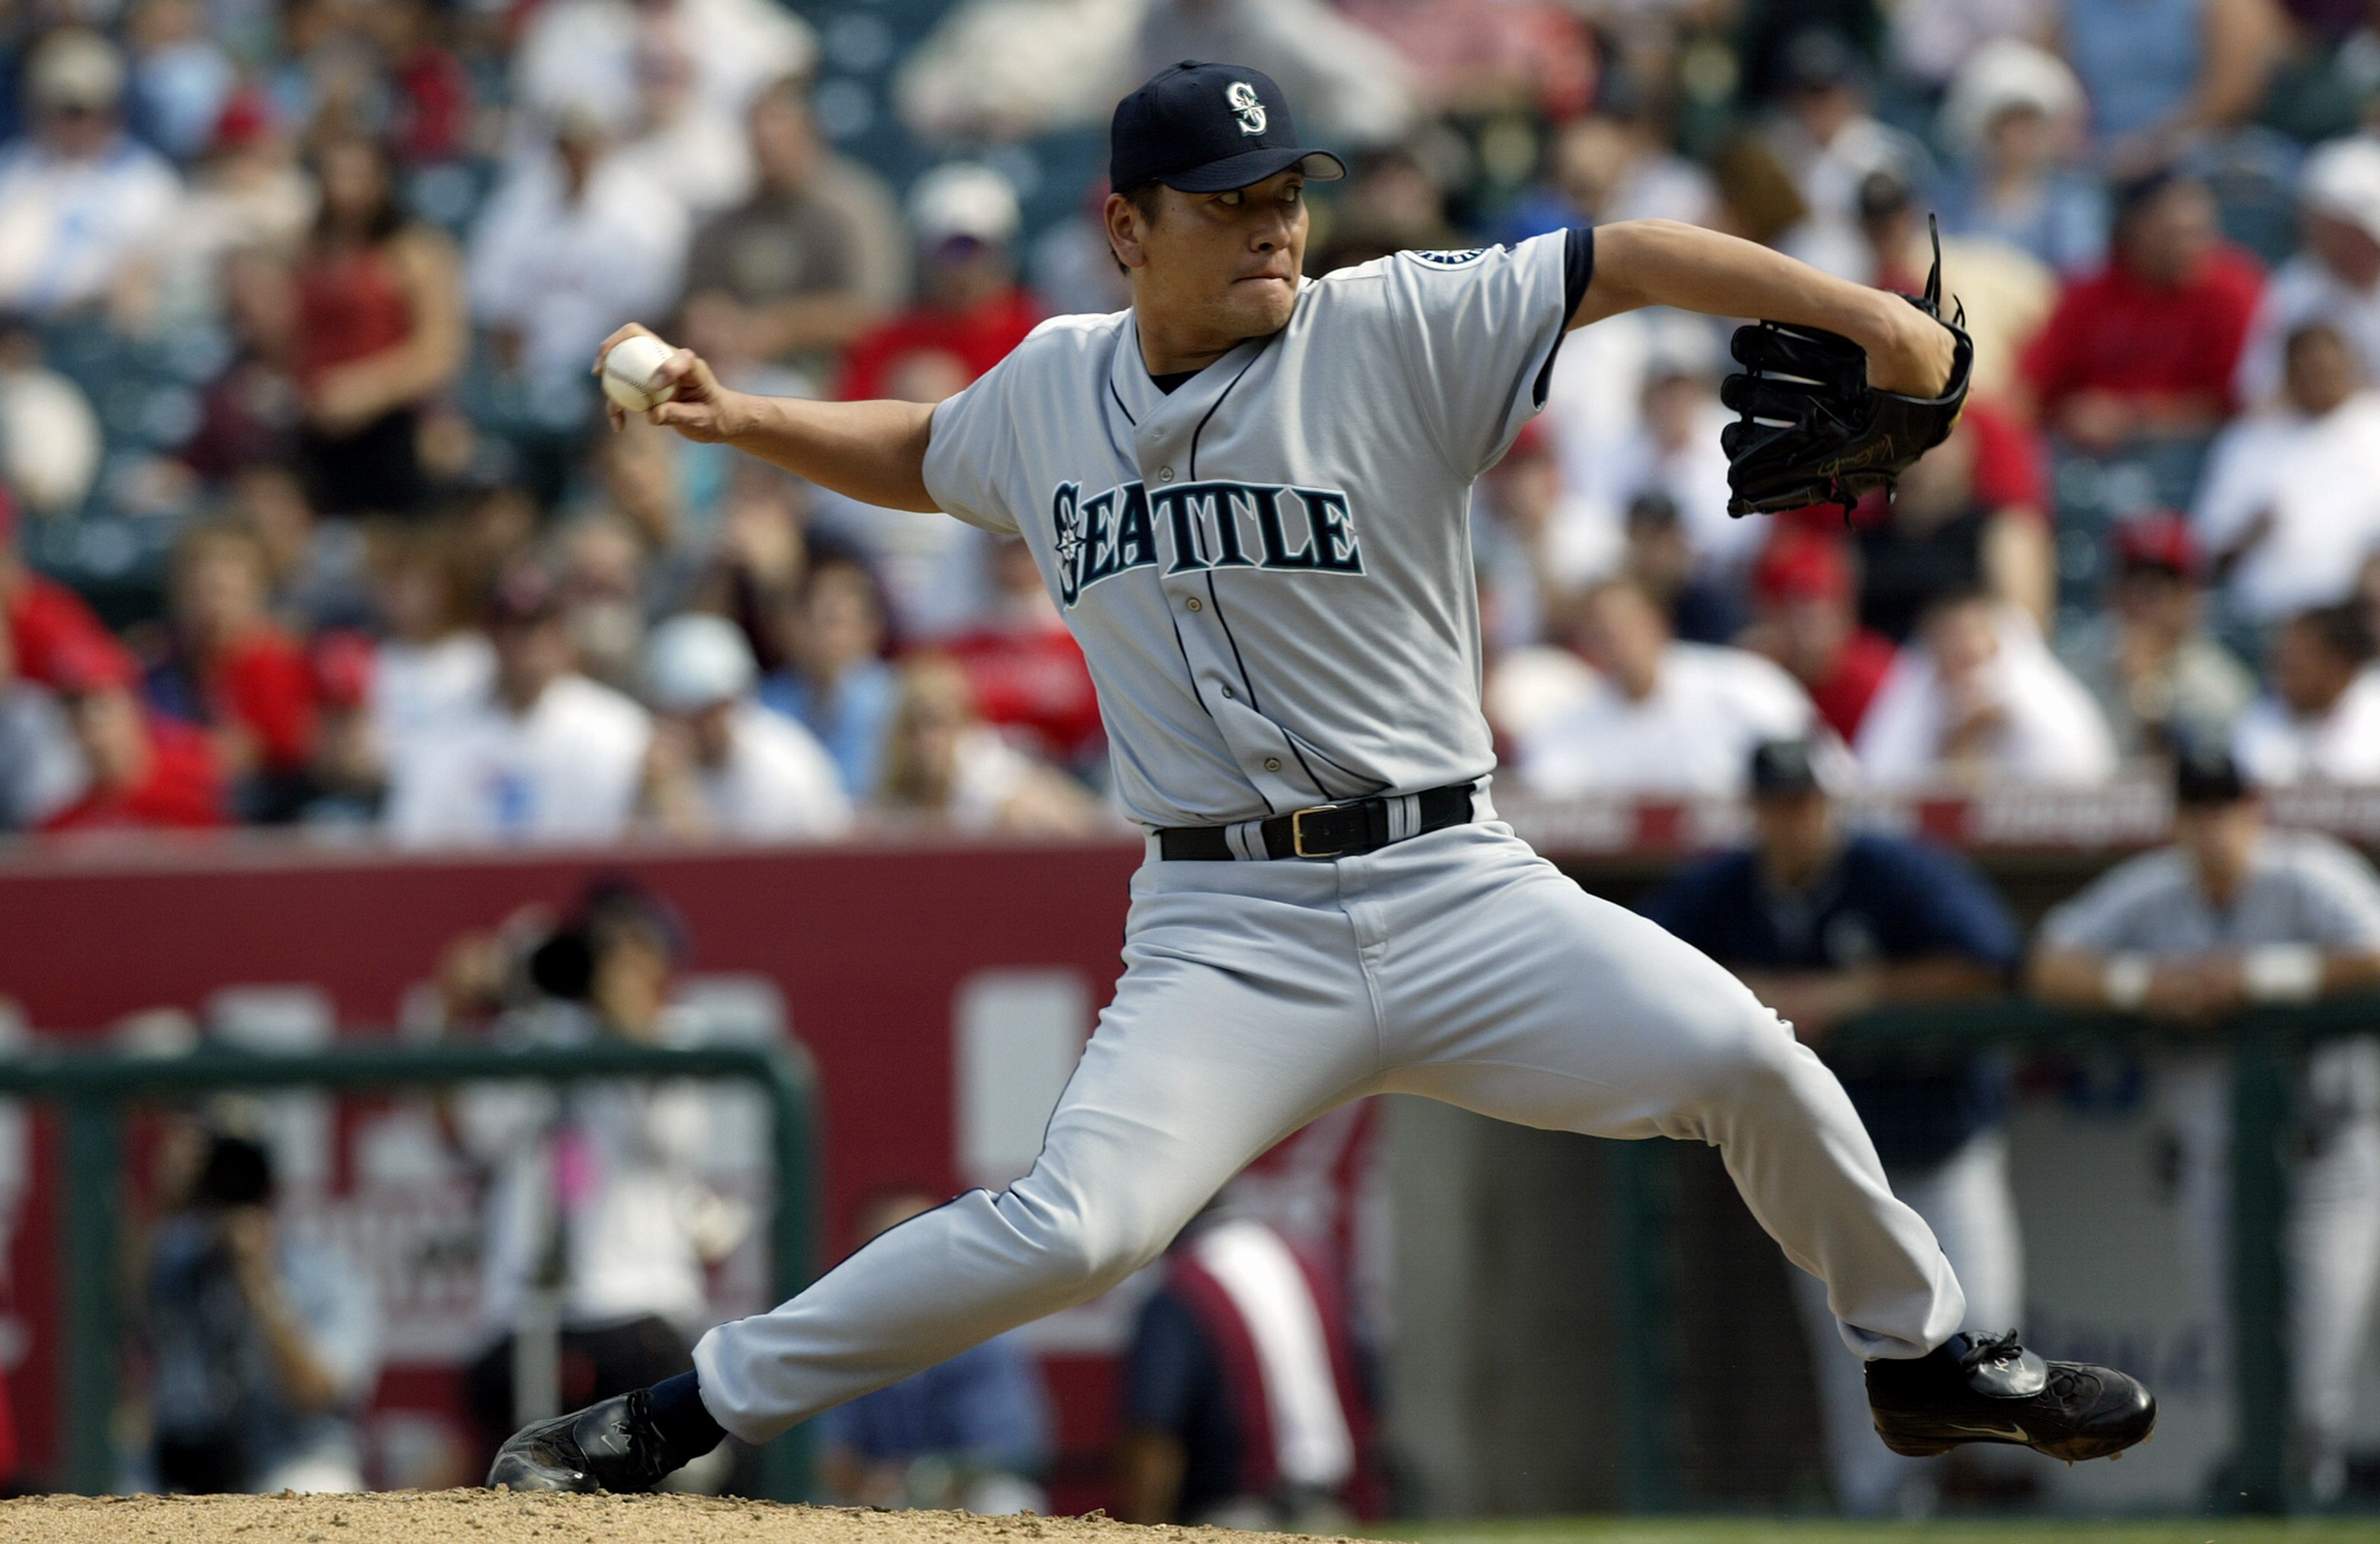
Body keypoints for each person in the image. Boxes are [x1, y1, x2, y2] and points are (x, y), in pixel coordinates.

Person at [493, 60, 2153, 1494]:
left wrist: (1867, 316)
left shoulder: (1391, 326)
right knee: (1078, 1229)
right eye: (1231, 199)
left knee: (1748, 1056)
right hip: (1227, 928)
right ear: (1131, 227)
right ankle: (676, 1409)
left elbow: (1626, 255)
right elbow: (926, 455)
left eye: (1287, 187)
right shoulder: (1051, 388)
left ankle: (1929, 1354)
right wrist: (744, 418)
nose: (1276, 220)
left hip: (1455, 884)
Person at [1639, 738, 2027, 1516]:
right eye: (1778, 804)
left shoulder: (1893, 870)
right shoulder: (1725, 888)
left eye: (1807, 802)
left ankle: (1974, 1503)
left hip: (1937, 1145)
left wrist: (1858, 991)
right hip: (1826, 1170)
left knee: (1981, 1327)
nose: (1794, 821)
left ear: (1833, 803)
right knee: (1856, 1347)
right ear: (1754, 811)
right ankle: (1880, 1509)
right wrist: (1757, 991)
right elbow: (1640, 960)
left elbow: (1992, 962)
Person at [2031, 746, 2380, 1503]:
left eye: (2227, 804)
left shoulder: (2308, 872)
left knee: (2314, 1380)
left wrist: (2259, 976)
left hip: (2329, 1161)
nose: (2213, 823)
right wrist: (2143, 982)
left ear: (2255, 809)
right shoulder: (2154, 891)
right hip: (2216, 1168)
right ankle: (2279, 1501)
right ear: (2177, 818)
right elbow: (2051, 962)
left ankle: (2303, 1501)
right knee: (2248, 1371)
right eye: (2197, 807)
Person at [456, 882, 722, 1465]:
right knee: (518, 1480)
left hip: (640, 1306)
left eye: (632, 949)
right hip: (528, 1309)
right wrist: (486, 1001)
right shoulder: (534, 1035)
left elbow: (670, 1136)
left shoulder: (679, 1036)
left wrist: (626, 1023)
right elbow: (475, 1132)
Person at [143, 1119, 378, 1494]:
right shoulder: (172, 1261)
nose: (231, 1190)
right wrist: (166, 1206)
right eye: (218, 1176)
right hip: (187, 1467)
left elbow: (314, 1392)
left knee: (320, 1491)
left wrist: (259, 1280)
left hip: (293, 1457)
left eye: (243, 1176)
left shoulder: (324, 1275)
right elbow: (100, 1318)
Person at [1116, 1206, 1370, 1530]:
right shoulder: (1310, 1262)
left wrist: (1144, 1528)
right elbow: (1368, 1382)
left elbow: (1154, 1424)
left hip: (1232, 1515)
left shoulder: (1185, 1286)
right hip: (1327, 1507)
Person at [815, 1190, 1053, 1515]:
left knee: (1006, 1501)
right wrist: (869, 1482)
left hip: (959, 1499)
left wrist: (919, 1478)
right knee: (810, 1500)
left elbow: (1008, 1452)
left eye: (922, 1248)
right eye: (888, 1249)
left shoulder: (985, 1334)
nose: (907, 1266)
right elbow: (820, 1452)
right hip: (863, 1498)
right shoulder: (833, 1338)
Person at [383, 565, 651, 846]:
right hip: (470, 888)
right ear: (489, 636)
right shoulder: (441, 733)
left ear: (563, 634)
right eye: (508, 626)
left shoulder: (619, 728)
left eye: (537, 625)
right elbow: (412, 841)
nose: (526, 642)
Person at [678, 75, 909, 391]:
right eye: (758, 142)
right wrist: (710, 320)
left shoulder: (854, 208)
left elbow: (875, 311)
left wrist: (783, 327)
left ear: (811, 137)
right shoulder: (727, 222)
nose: (768, 152)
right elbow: (699, 298)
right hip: (730, 371)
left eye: (779, 139)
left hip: (830, 376)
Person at [2018, 171, 2263, 452]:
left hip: (2199, 453)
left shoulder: (2235, 291)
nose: (2193, 248)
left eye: (2200, 233)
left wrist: (2133, 416)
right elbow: (2035, 384)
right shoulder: (2091, 291)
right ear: (2133, 230)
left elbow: (2237, 404)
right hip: (2091, 455)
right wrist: (2069, 412)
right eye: (2175, 235)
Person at [288, 133, 465, 519]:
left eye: (355, 175)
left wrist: (366, 391)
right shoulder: (308, 249)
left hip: (392, 428)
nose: (341, 187)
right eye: (333, 174)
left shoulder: (416, 251)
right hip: (316, 431)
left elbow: (440, 351)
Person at [1518, 577, 1813, 799]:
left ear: (1658, 622)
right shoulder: (1569, 721)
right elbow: (1545, 798)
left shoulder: (1743, 685)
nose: (1618, 644)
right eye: (1602, 635)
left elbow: (1820, 772)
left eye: (1626, 628)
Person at [2195, 320, 2380, 626]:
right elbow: (2204, 554)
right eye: (2306, 372)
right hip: (2261, 618)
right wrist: (2247, 535)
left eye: (2327, 370)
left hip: (2355, 623)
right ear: (2287, 375)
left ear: (2351, 367)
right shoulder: (2249, 439)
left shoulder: (2373, 424)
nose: (2318, 381)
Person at [143, 523, 320, 822]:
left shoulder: (281, 666)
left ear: (255, 594)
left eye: (224, 592)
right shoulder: (157, 666)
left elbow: (270, 753)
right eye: (199, 593)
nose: (213, 607)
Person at [0, 28, 182, 318]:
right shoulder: (16, 164)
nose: (69, 123)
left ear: (111, 109)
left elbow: (142, 285)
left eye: (79, 110)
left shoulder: (145, 182)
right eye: (55, 108)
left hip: (88, 334)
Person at [1855, 590, 2118, 789]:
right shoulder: (1913, 699)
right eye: (1950, 638)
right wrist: (1959, 740)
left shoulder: (2042, 699)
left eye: (1971, 636)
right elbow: (1879, 785)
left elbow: (2080, 769)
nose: (1963, 648)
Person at [835, 164, 1044, 404]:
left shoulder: (1036, 334)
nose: (962, 267)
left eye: (973, 248)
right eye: (947, 250)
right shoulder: (890, 338)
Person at [2056, 513, 2254, 761]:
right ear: (2112, 591)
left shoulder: (2220, 685)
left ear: (2190, 597)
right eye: (2135, 581)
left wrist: (2148, 694)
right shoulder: (2076, 668)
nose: (2146, 600)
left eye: (2161, 586)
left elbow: (2210, 773)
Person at [638, 612, 851, 841]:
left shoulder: (790, 765)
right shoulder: (645, 772)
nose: (693, 727)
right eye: (677, 713)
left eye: (708, 711)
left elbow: (835, 858)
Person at [873, 655, 1106, 835]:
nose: (928, 739)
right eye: (913, 727)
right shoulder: (886, 798)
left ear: (963, 725)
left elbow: (1084, 823)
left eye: (939, 723)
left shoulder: (993, 774)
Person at [2234, 136, 2380, 410]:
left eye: (2356, 232)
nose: (2345, 244)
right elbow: (2257, 393)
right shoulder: (2294, 291)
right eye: (2333, 229)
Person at [757, 554, 898, 800]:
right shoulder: (768, 702)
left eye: (836, 622)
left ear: (869, 629)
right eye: (813, 621)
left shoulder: (896, 700)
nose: (825, 636)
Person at [1742, 529, 1900, 745]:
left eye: (1820, 612)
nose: (1807, 631)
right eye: (1794, 615)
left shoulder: (1879, 680)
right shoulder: (1752, 673)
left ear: (1846, 611)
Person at [2230, 601, 2380, 784]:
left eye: (2297, 665)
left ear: (2339, 663)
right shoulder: (2260, 717)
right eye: (2282, 661)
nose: (2283, 675)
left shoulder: (2373, 708)